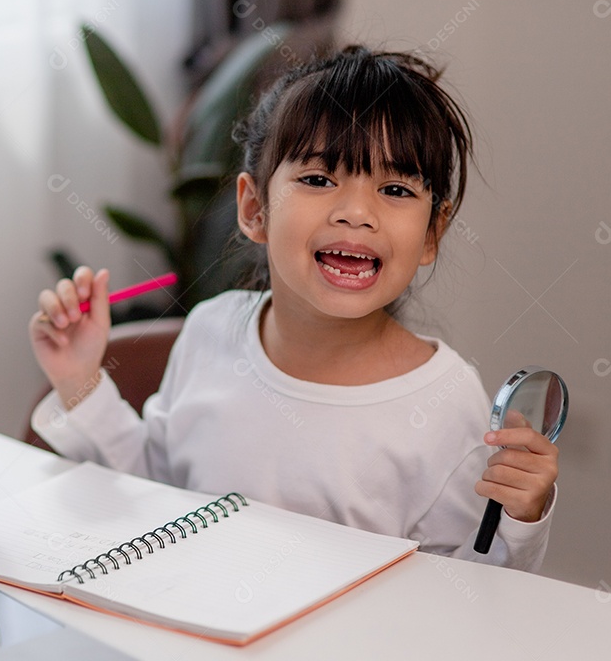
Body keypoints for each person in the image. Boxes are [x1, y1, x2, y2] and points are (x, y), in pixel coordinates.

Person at [28, 45, 558, 572]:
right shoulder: (210, 331)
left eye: (395, 189)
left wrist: (520, 517)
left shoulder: (446, 400)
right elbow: (151, 492)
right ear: (254, 209)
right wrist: (80, 380)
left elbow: (470, 595)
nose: (356, 213)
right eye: (318, 180)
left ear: (430, 236)